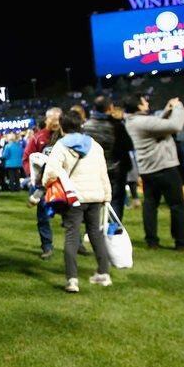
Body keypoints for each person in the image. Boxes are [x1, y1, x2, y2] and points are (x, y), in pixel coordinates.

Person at [42, 111, 112, 293]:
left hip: (74, 197)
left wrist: (45, 184)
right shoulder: (95, 145)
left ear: (63, 127)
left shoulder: (61, 145)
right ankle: (104, 273)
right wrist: (107, 195)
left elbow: (51, 172)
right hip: (95, 195)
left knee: (72, 235)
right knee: (95, 234)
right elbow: (103, 172)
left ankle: (72, 280)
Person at [123, 94, 184, 250]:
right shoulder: (143, 121)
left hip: (147, 169)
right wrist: (177, 106)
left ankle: (152, 241)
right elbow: (175, 126)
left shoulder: (132, 121)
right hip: (163, 167)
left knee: (150, 205)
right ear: (139, 106)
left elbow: (157, 122)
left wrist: (167, 109)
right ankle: (182, 242)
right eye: (144, 101)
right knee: (177, 205)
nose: (147, 103)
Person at [82, 95, 134, 221]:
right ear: (110, 107)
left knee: (96, 201)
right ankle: (113, 230)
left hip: (94, 168)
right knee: (115, 200)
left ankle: (94, 230)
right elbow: (128, 145)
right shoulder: (116, 125)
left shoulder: (86, 126)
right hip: (115, 167)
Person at [23, 108, 62, 258]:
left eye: (58, 120)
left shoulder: (65, 137)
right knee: (43, 217)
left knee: (71, 216)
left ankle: (76, 244)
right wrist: (33, 176)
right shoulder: (38, 138)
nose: (55, 123)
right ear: (46, 120)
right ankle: (47, 246)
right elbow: (26, 158)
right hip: (43, 185)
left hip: (63, 183)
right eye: (53, 120)